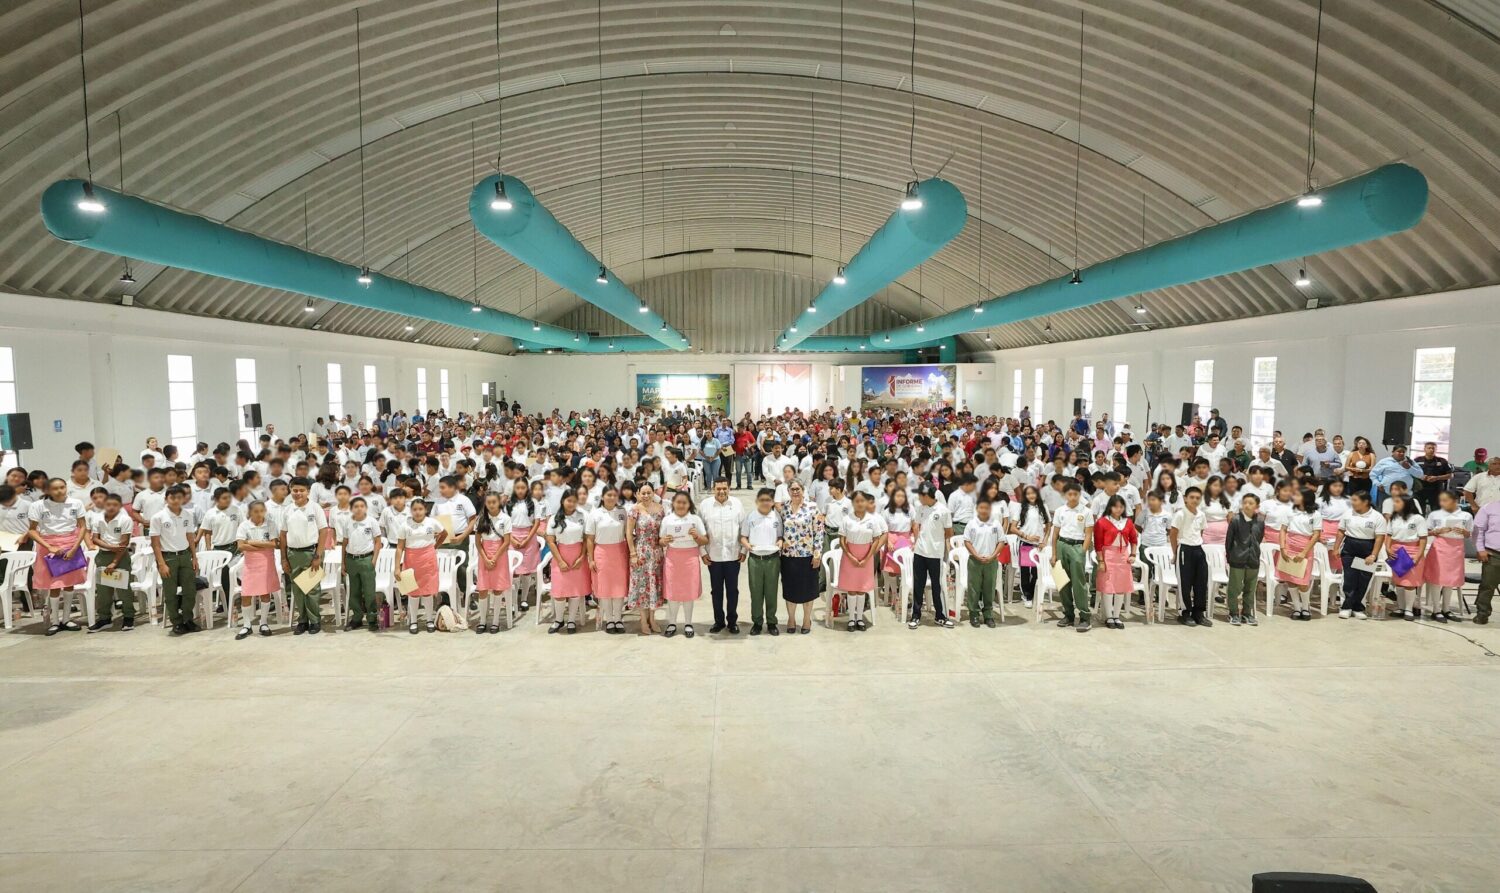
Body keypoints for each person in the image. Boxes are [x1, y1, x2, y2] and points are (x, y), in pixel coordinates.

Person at [280, 477, 328, 635]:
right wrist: (284, 558)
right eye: (295, 490)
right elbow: (283, 535)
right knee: (298, 589)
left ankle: (315, 621)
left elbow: (323, 532)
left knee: (312, 589)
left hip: (311, 552)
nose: (298, 493)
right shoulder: (287, 510)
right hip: (293, 553)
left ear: (308, 491)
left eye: (301, 490)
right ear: (290, 490)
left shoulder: (315, 508)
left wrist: (318, 555)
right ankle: (302, 620)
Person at [659, 490, 707, 638]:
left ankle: (688, 623)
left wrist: (696, 536)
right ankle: (672, 623)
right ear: (673, 503)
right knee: (673, 592)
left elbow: (705, 540)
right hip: (673, 558)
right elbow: (660, 540)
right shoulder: (667, 520)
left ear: (689, 504)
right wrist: (664, 541)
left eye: (684, 502)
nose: (681, 505)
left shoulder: (695, 519)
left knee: (689, 592)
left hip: (690, 558)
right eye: (678, 502)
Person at [84, 492, 134, 632]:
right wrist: (109, 547)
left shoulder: (125, 520)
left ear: (120, 506)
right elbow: (95, 538)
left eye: (115, 505)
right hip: (103, 555)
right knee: (103, 591)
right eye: (108, 504)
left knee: (123, 589)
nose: (111, 507)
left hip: (120, 556)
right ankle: (105, 619)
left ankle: (128, 617)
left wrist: (114, 562)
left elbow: (124, 543)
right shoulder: (97, 518)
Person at [700, 480, 745, 634]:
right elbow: (700, 530)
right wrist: (703, 552)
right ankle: (718, 621)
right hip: (713, 556)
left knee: (733, 591)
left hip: (733, 556)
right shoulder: (705, 505)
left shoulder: (737, 504)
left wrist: (744, 551)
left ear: (729, 488)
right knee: (716, 591)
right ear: (714, 489)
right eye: (718, 488)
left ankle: (732, 621)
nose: (721, 491)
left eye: (724, 488)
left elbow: (743, 529)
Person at [838, 490, 886, 631]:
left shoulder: (872, 520)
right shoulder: (847, 519)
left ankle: (860, 618)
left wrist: (868, 557)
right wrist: (850, 556)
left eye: (862, 501)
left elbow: (876, 539)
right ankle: (851, 619)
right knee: (852, 589)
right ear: (853, 503)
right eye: (856, 501)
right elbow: (842, 539)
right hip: (849, 557)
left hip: (867, 556)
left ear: (866, 503)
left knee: (861, 589)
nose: (859, 503)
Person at [779, 481, 823, 633]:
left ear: (803, 490)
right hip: (788, 556)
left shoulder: (812, 507)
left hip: (807, 556)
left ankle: (806, 620)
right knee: (790, 589)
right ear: (788, 491)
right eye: (792, 489)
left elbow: (819, 532)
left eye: (798, 489)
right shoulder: (784, 508)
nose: (795, 491)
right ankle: (791, 619)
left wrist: (817, 554)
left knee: (808, 590)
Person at [397, 498, 445, 634]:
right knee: (413, 592)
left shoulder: (432, 522)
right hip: (411, 561)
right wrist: (396, 567)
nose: (417, 512)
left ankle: (429, 620)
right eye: (414, 509)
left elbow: (444, 533)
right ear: (411, 511)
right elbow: (400, 548)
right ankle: (413, 621)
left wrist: (435, 546)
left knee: (428, 592)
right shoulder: (405, 525)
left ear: (425, 510)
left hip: (428, 560)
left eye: (420, 509)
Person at [233, 500, 281, 639]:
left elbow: (273, 544)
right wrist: (262, 546)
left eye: (262, 511)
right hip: (250, 564)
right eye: (256, 511)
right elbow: (241, 546)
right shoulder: (244, 525)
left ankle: (264, 623)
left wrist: (251, 542)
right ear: (250, 512)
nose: (259, 514)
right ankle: (247, 625)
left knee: (265, 593)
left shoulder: (270, 524)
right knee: (246, 594)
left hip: (266, 562)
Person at [910, 483, 954, 630]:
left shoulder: (943, 511)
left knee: (937, 585)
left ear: (926, 495)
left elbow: (949, 532)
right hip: (920, 552)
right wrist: (918, 542)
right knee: (918, 585)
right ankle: (915, 616)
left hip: (935, 554)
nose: (918, 498)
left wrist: (938, 544)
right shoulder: (920, 508)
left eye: (920, 495)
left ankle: (940, 616)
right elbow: (916, 526)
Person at [1335, 491, 1385, 619]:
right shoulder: (1348, 514)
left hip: (1367, 548)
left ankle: (1358, 607)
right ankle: (1346, 606)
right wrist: (1336, 548)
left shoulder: (1377, 517)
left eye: (1355, 500)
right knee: (1349, 578)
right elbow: (1341, 531)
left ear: (1365, 502)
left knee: (1364, 579)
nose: (1352, 503)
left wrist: (1373, 555)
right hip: (1350, 547)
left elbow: (1379, 538)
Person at [584, 486, 628, 634]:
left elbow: (628, 533)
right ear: (602, 497)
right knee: (605, 588)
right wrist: (591, 559)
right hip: (601, 553)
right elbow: (589, 539)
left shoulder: (622, 512)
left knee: (619, 588)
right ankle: (609, 620)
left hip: (620, 553)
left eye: (614, 495)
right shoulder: (595, 514)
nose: (611, 498)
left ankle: (618, 619)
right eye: (608, 495)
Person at [1049, 482, 1093, 631]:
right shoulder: (1060, 511)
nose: (1073, 497)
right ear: (1065, 495)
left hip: (1077, 547)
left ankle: (1085, 616)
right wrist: (1054, 553)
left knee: (1078, 583)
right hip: (1062, 545)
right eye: (1070, 494)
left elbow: (1088, 534)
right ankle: (1068, 615)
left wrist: (1082, 551)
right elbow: (1054, 534)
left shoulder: (1086, 512)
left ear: (1080, 495)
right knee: (1062, 582)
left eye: (1076, 494)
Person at [1423, 489, 1471, 623]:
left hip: (1456, 548)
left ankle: (1446, 608)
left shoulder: (1466, 515)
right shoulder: (1435, 514)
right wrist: (1437, 531)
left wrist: (1464, 532)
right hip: (1440, 547)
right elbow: (1426, 532)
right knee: (1436, 578)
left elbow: (1470, 534)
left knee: (1451, 579)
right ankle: (1436, 610)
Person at [740, 487, 782, 635]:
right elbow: (743, 536)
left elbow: (780, 536)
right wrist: (746, 545)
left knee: (771, 592)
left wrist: (780, 542)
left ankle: (771, 622)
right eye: (762, 500)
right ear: (756, 501)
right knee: (756, 592)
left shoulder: (776, 517)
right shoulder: (751, 516)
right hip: (755, 560)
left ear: (772, 502)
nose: (765, 502)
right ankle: (757, 622)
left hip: (772, 559)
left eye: (768, 500)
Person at [1092, 494, 1137, 630]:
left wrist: (1133, 554)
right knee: (1108, 587)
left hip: (1123, 557)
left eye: (1121, 507)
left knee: (1120, 587)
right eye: (1115, 507)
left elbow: (1134, 539)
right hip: (1108, 556)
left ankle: (1117, 616)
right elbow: (1098, 543)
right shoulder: (1102, 522)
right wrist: (1101, 560)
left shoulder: (1128, 522)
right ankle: (1108, 616)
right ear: (1110, 507)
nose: (1118, 510)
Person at [627, 482, 666, 635]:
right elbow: (629, 533)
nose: (646, 496)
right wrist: (633, 554)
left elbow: (664, 530)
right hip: (641, 552)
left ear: (653, 493)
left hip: (656, 552)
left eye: (649, 492)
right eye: (643, 493)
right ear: (638, 494)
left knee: (654, 586)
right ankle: (643, 620)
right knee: (642, 587)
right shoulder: (634, 510)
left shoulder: (661, 509)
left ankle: (653, 618)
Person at [474, 491, 515, 634]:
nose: (491, 505)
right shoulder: (481, 519)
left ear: (499, 502)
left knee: (498, 589)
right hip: (484, 556)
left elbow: (507, 542)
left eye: (494, 502)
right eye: (488, 502)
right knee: (483, 590)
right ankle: (482, 621)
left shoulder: (506, 518)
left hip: (500, 556)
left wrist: (495, 558)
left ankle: (496, 622)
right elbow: (478, 542)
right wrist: (485, 559)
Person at [1276, 488, 1320, 621]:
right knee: (1291, 579)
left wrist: (1304, 552)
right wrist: (1283, 548)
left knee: (1303, 581)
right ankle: (1296, 608)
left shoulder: (1315, 514)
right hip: (1289, 546)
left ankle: (1306, 608)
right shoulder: (1289, 511)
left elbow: (1316, 534)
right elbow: (1283, 530)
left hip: (1305, 548)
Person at [963, 497, 1006, 628]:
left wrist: (993, 556)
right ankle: (974, 614)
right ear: (977, 509)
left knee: (989, 588)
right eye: (981, 507)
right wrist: (976, 555)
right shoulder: (971, 524)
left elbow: (1001, 541)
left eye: (986, 508)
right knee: (974, 588)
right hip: (975, 561)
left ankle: (988, 615)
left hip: (991, 561)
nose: (984, 510)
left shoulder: (996, 524)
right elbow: (967, 541)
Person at [341, 496, 382, 632]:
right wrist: (343, 562)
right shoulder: (347, 522)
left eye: (361, 506)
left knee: (369, 592)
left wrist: (374, 560)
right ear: (351, 508)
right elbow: (344, 543)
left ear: (365, 508)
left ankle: (372, 619)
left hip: (367, 559)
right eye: (356, 506)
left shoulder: (371, 522)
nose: (359, 509)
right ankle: (357, 618)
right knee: (354, 591)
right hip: (351, 559)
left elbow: (378, 541)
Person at [1170, 486, 1210, 626]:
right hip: (1184, 550)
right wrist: (1176, 552)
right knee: (1185, 584)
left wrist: (1197, 543)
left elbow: (1201, 531)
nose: (1194, 500)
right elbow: (1173, 533)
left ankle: (1198, 612)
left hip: (1198, 549)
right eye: (1191, 497)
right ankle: (1185, 612)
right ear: (1185, 498)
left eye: (1197, 498)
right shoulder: (1181, 514)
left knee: (1201, 582)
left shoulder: (1201, 514)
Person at [1385, 494, 1428, 620]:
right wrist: (1387, 548)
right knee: (1399, 581)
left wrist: (1418, 556)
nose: (1394, 504)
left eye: (1397, 502)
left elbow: (1423, 539)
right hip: (1396, 550)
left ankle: (1409, 609)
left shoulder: (1418, 519)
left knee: (1410, 582)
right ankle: (1401, 607)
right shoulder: (1394, 518)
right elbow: (1389, 534)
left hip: (1412, 550)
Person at [1223, 493, 1264, 626]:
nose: (1247, 505)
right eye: (1245, 502)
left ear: (1257, 506)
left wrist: (1254, 552)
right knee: (1235, 587)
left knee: (1250, 588)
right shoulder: (1235, 520)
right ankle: (1233, 613)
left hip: (1253, 559)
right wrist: (1230, 556)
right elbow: (1228, 541)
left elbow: (1259, 538)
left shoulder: (1260, 522)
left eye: (1251, 503)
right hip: (1237, 559)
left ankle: (1247, 613)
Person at [1009, 485, 1049, 608]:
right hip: (1025, 543)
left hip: (1039, 545)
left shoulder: (1043, 507)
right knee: (1025, 571)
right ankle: (1026, 595)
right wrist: (1026, 536)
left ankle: (1032, 593)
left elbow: (1048, 526)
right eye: (1028, 494)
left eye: (1033, 493)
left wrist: (1044, 541)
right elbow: (1013, 528)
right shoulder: (1021, 508)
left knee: (1037, 571)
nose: (1031, 496)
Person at [507, 478, 542, 611]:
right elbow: (505, 522)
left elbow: (537, 522)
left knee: (526, 571)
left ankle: (524, 599)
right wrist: (512, 539)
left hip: (529, 536)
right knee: (514, 571)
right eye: (518, 488)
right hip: (512, 535)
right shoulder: (509, 503)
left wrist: (528, 538)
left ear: (527, 489)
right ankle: (512, 600)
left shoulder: (533, 502)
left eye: (523, 488)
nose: (520, 490)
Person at [1473, 494, 1500, 625]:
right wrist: (1480, 549)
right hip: (1493, 553)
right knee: (1487, 586)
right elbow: (1478, 530)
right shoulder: (1489, 508)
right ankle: (1482, 614)